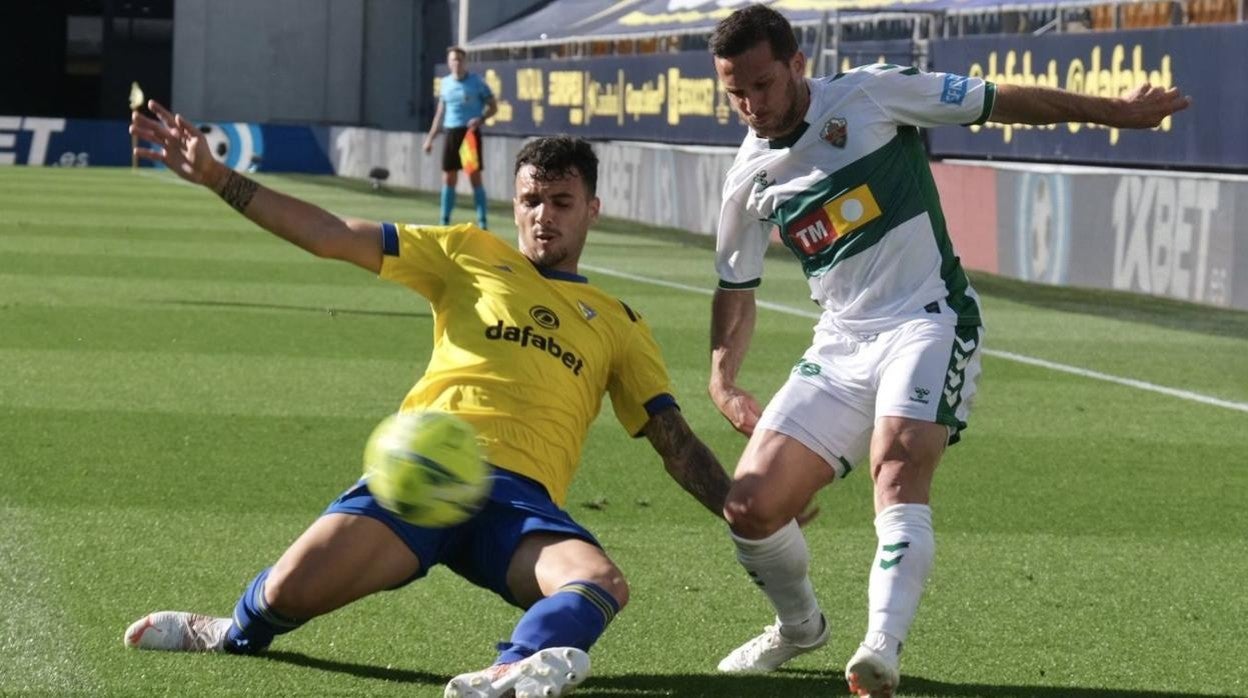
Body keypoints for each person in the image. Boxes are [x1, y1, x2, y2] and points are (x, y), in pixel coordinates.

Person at [123, 101, 733, 698]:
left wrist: (742, 511)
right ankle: (230, 634)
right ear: (513, 205)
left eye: (561, 202)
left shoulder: (620, 322)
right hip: (420, 475)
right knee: (284, 594)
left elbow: (672, 441)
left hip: (518, 505)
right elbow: (332, 235)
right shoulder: (468, 253)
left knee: (599, 581)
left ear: (591, 210)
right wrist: (216, 176)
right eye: (530, 201)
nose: (543, 216)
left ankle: (512, 672)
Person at [705, 5, 1191, 697]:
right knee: (749, 507)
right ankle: (800, 625)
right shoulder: (747, 176)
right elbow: (735, 285)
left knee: (896, 462)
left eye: (763, 84)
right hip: (841, 343)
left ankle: (880, 647)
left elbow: (999, 100)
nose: (752, 104)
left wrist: (1115, 111)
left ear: (796, 65)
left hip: (927, 319)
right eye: (736, 93)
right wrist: (723, 379)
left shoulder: (869, 94)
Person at [423, 46, 499, 229]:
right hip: (451, 133)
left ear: (465, 62)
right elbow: (440, 113)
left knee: (474, 177)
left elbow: (493, 107)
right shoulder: (445, 83)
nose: (456, 63)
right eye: (452, 60)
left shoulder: (477, 82)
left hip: (469, 134)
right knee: (448, 178)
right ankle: (444, 221)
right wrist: (430, 139)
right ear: (449, 63)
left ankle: (482, 222)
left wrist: (481, 119)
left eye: (459, 59)